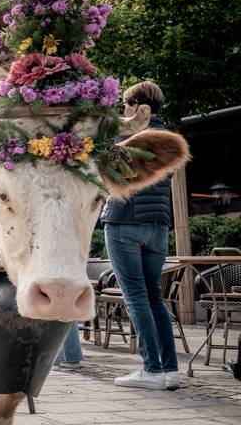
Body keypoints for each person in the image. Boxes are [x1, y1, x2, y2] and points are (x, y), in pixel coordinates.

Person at [102, 81, 179, 391]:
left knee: (136, 298)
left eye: (125, 105)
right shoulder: (171, 139)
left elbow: (107, 176)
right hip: (159, 225)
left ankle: (151, 369)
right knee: (154, 298)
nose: (123, 111)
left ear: (135, 107)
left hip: (124, 223)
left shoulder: (124, 136)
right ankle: (169, 370)